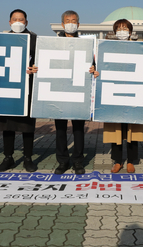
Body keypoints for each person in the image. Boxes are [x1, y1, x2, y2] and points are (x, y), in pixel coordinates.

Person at [47, 10, 97, 175]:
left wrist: (93, 69)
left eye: (74, 20)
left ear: (78, 24)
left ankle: (77, 161)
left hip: (78, 91)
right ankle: (62, 161)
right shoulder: (53, 43)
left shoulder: (86, 44)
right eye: (67, 20)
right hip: (59, 91)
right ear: (62, 24)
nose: (71, 23)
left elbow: (93, 66)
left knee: (78, 129)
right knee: (60, 129)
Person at [0, 9, 38, 172]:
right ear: (10, 22)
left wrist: (35, 68)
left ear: (26, 22)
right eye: (15, 19)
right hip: (6, 87)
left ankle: (28, 158)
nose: (18, 22)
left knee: (27, 126)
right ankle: (8, 157)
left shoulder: (34, 39)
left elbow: (40, 60)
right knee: (7, 125)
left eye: (21, 19)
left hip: (26, 88)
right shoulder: (1, 39)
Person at [102, 19, 143, 173]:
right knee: (116, 129)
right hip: (115, 93)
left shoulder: (139, 48)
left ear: (130, 31)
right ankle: (117, 161)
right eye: (119, 28)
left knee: (132, 128)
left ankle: (131, 160)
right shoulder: (108, 48)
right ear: (115, 32)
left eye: (125, 28)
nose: (122, 30)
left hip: (132, 92)